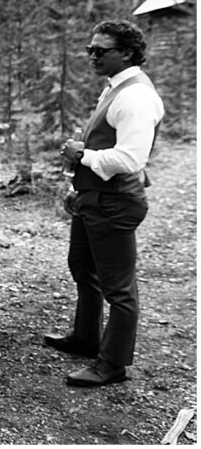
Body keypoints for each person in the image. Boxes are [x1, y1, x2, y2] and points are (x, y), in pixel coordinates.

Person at [48, 19, 164, 387]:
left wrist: (83, 156)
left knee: (119, 288)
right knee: (83, 267)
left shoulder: (136, 96)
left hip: (115, 201)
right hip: (94, 197)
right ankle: (86, 337)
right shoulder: (116, 87)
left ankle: (113, 364)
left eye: (101, 51)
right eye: (90, 50)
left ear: (127, 53)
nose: (93, 56)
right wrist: (78, 186)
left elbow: (131, 159)